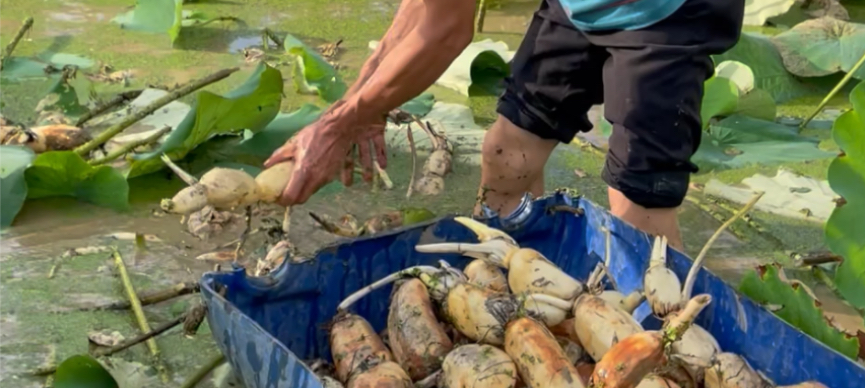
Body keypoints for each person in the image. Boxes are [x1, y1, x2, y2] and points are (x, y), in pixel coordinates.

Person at [264, 0, 744, 250]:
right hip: (582, 5)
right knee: (504, 151)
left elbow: (447, 31)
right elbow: (419, 12)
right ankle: (516, 283)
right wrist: (356, 107)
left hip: (667, 10)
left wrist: (339, 124)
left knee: (637, 201)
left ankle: (667, 349)